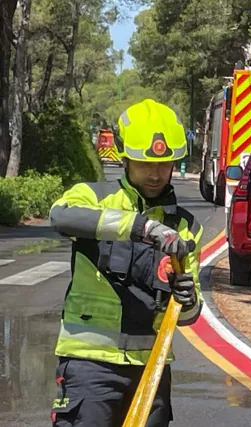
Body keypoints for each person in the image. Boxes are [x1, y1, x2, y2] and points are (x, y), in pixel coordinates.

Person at [48, 99, 203, 426]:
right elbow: (60, 216)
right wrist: (139, 227)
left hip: (152, 368)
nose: (157, 174)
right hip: (90, 364)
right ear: (125, 158)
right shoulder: (94, 197)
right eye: (146, 164)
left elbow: (188, 315)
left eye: (165, 164)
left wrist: (187, 301)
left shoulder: (187, 228)